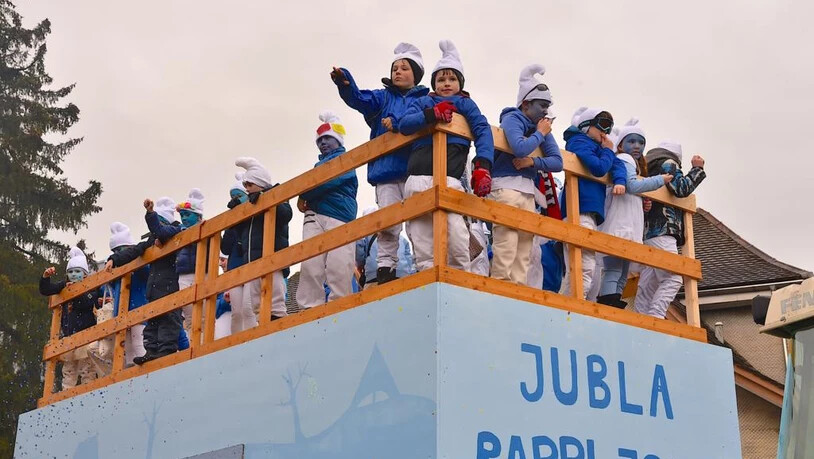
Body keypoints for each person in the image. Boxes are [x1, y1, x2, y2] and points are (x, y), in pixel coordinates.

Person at [331, 42, 428, 284]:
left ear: (415, 74)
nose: (398, 71)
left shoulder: (426, 99)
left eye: (405, 68)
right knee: (387, 224)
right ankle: (386, 269)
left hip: (416, 170)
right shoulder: (382, 98)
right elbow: (359, 99)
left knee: (419, 222)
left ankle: (424, 266)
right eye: (395, 67)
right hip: (386, 171)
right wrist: (346, 85)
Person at [398, 39, 494, 271]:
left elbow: (482, 129)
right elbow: (405, 124)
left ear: (460, 83)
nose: (446, 84)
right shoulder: (424, 101)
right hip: (418, 177)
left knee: (458, 241)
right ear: (434, 83)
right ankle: (428, 289)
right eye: (441, 79)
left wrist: (483, 166)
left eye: (452, 79)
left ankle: (459, 289)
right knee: (422, 243)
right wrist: (431, 114)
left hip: (450, 178)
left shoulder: (466, 104)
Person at [490, 64, 563, 284]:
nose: (545, 111)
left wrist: (532, 161)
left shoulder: (539, 127)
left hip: (527, 192)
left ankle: (517, 291)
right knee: (506, 243)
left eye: (548, 106)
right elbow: (518, 147)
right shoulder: (513, 118)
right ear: (525, 104)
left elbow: (557, 162)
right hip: (505, 187)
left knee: (525, 246)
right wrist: (540, 134)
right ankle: (500, 288)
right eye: (542, 105)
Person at [596, 119, 672, 308]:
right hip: (621, 224)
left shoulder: (633, 164)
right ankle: (608, 304)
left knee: (621, 272)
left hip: (626, 223)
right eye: (632, 141)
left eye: (641, 142)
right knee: (614, 269)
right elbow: (631, 185)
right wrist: (659, 180)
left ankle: (613, 301)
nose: (637, 146)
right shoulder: (625, 159)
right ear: (620, 144)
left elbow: (632, 189)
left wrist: (642, 202)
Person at [105, 197, 183, 364]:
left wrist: (151, 214)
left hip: (168, 286)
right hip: (154, 288)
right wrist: (114, 259)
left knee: (168, 321)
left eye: (161, 222)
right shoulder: (150, 242)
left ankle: (165, 352)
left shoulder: (176, 230)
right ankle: (152, 351)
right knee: (153, 322)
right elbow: (133, 251)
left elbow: (162, 232)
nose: (156, 228)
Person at [559, 107, 626, 298]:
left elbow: (618, 165)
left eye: (608, 129)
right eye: (601, 128)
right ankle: (569, 308)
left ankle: (566, 307)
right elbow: (598, 168)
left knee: (584, 268)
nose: (605, 133)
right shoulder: (578, 142)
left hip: (589, 213)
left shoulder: (598, 148)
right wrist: (607, 151)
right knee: (583, 268)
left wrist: (620, 180)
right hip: (579, 209)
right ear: (586, 126)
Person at [634, 141, 706, 318]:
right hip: (664, 229)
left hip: (648, 232)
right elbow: (680, 188)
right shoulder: (668, 162)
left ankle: (641, 319)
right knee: (673, 277)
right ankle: (656, 316)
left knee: (649, 281)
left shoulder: (648, 167)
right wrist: (697, 169)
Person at [296, 112, 358, 309]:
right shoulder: (316, 166)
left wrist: (305, 194)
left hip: (339, 215)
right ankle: (308, 307)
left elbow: (330, 181)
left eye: (327, 138)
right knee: (310, 264)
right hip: (315, 215)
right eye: (320, 140)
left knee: (339, 264)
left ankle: (340, 305)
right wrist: (305, 193)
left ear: (338, 140)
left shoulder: (347, 159)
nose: (323, 143)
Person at [235, 157, 292, 321]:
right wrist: (238, 212)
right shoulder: (250, 205)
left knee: (275, 302)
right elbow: (239, 234)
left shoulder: (276, 195)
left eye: (249, 185)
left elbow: (285, 214)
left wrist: (265, 198)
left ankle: (279, 332)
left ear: (261, 183)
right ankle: (263, 332)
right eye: (245, 186)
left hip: (273, 260)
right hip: (252, 262)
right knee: (256, 306)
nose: (247, 189)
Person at [39, 246, 98, 389]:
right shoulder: (64, 286)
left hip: (86, 335)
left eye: (77, 271)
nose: (73, 275)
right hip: (69, 336)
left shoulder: (90, 287)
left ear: (85, 274)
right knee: (69, 370)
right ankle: (66, 394)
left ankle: (88, 391)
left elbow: (88, 302)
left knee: (87, 369)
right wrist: (45, 277)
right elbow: (46, 290)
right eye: (70, 272)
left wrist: (76, 292)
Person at [220, 173, 257, 333]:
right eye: (233, 196)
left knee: (249, 308)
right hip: (235, 268)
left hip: (251, 265)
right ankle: (236, 343)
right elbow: (225, 248)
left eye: (239, 196)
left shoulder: (255, 216)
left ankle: (251, 339)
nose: (236, 199)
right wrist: (231, 222)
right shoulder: (233, 223)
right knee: (237, 312)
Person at [355, 206, 416, 289]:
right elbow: (408, 260)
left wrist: (360, 264)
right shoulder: (401, 238)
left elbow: (358, 247)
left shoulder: (367, 236)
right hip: (402, 276)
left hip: (375, 275)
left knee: (373, 299)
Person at [176, 188, 205, 335]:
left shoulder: (207, 227)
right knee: (188, 312)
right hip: (184, 273)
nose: (184, 218)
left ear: (198, 216)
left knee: (204, 312)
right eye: (182, 215)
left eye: (187, 214)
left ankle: (204, 342)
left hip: (202, 272)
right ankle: (192, 342)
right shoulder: (178, 232)